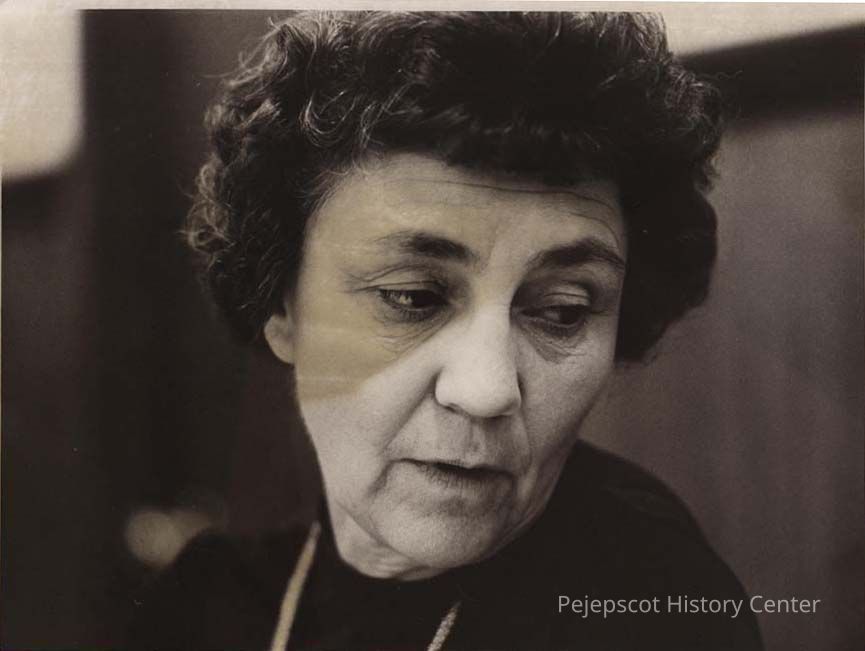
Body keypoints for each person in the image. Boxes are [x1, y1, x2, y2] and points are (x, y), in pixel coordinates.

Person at [129, 11, 763, 650]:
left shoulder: (653, 611)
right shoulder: (203, 608)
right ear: (281, 307)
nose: (487, 390)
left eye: (564, 310)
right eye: (413, 297)